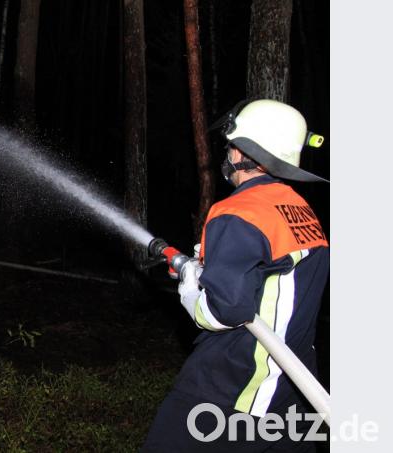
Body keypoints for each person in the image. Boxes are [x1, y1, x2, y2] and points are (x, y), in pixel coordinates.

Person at [141, 99, 329, 452]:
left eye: (231, 144)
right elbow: (274, 283)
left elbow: (224, 311)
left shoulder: (238, 211)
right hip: (295, 391)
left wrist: (191, 287)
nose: (226, 152)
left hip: (234, 388)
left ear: (247, 153)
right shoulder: (301, 210)